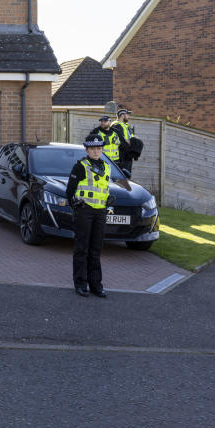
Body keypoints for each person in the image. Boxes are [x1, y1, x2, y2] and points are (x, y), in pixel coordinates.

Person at [65, 133, 113, 298]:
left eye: (99, 148)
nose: (96, 151)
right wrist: (75, 207)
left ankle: (96, 285)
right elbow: (69, 191)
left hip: (100, 212)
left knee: (96, 250)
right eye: (92, 149)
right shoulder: (80, 166)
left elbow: (104, 190)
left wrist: (109, 202)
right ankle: (80, 283)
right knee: (82, 249)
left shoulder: (107, 167)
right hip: (84, 212)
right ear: (87, 149)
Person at [113, 108, 135, 176]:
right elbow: (121, 140)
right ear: (122, 115)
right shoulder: (117, 125)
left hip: (127, 155)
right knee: (123, 175)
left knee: (127, 175)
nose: (129, 117)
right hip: (122, 155)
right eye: (127, 115)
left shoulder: (126, 126)